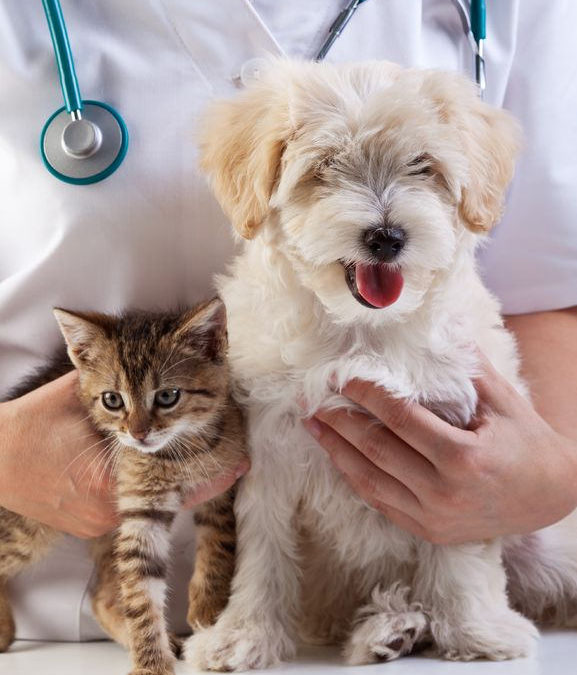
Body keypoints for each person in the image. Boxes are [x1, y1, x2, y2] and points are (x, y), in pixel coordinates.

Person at [0, 0, 576, 642]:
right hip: (57, 619)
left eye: (424, 168)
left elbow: (546, 287)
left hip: (437, 604)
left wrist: (557, 476)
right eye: (326, 171)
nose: (382, 220)